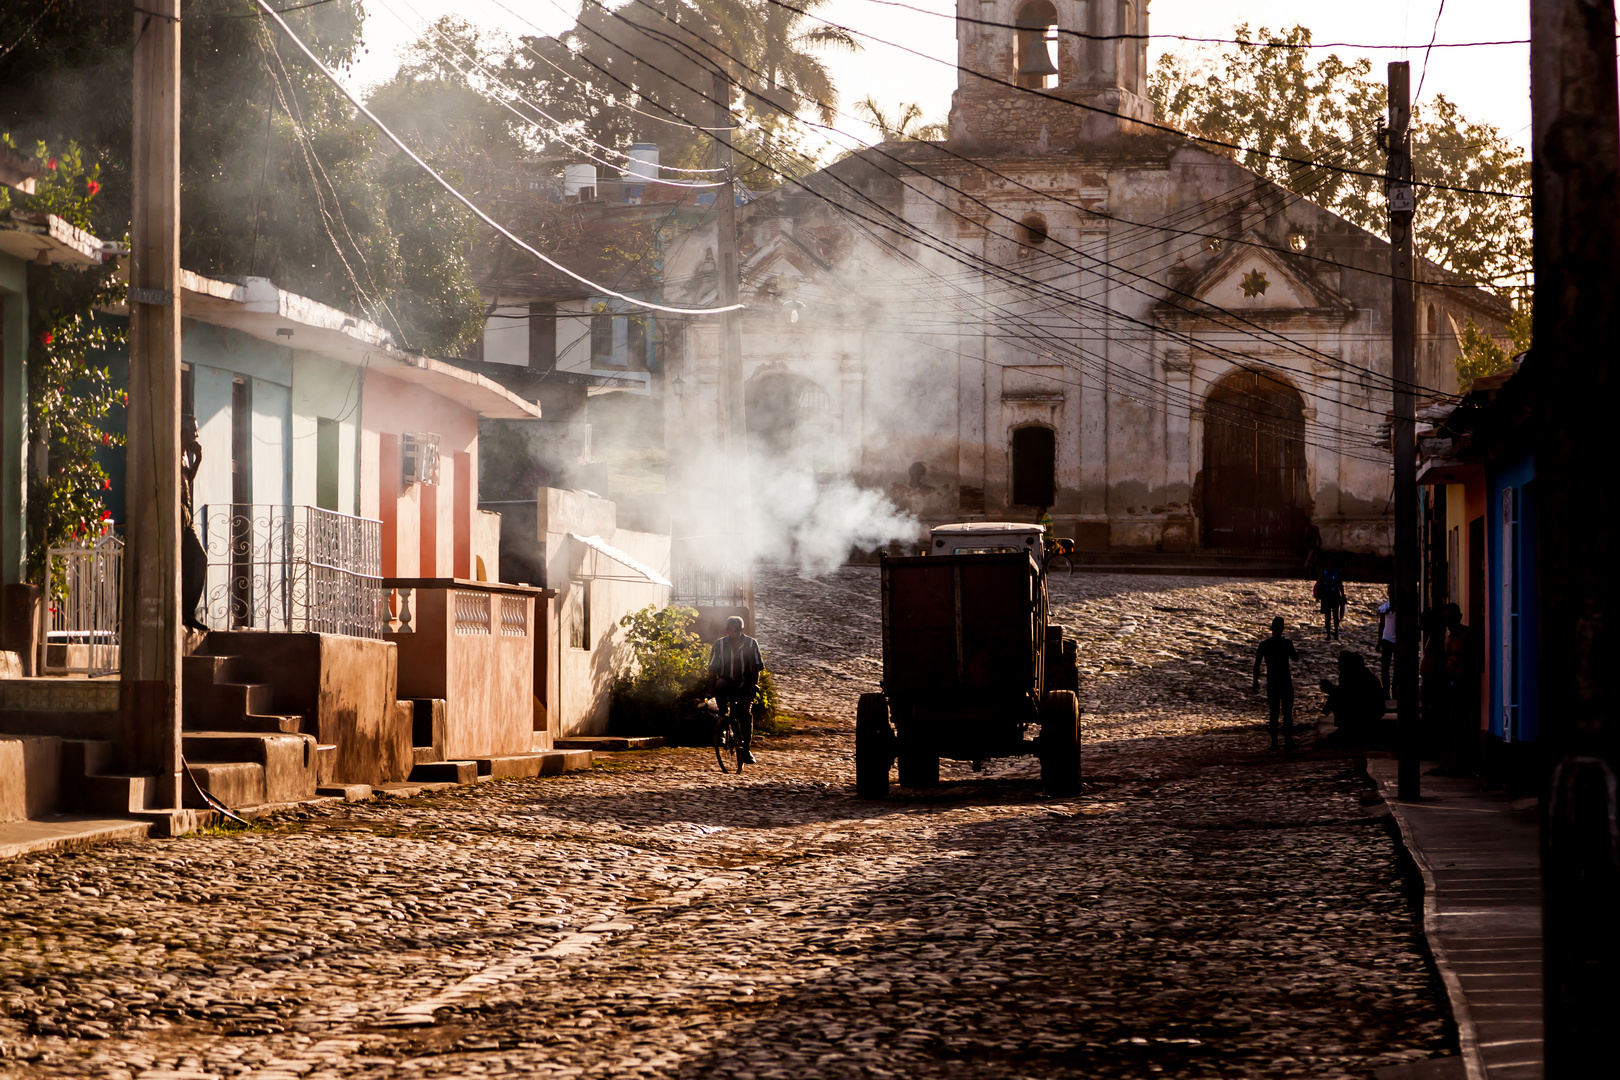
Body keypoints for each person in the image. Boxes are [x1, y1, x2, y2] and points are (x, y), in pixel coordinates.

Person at [709, 615, 764, 765]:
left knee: (745, 713)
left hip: (745, 684)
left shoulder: (751, 644)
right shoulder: (719, 644)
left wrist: (753, 686)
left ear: (742, 630)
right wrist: (711, 688)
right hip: (727, 682)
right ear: (727, 630)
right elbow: (713, 668)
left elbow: (755, 668)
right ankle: (723, 717)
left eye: (737, 630)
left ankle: (746, 748)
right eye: (730, 629)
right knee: (719, 685)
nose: (733, 633)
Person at [1252, 616, 1300, 751]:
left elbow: (1257, 665)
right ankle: (1288, 741)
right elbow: (1295, 659)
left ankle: (1274, 743)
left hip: (1272, 681)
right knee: (1287, 712)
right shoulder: (1286, 643)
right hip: (1285, 681)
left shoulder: (1264, 645)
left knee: (1274, 713)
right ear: (1282, 629)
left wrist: (1255, 681)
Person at [180, 415, 208, 632]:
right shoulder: (170, 450)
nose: (196, 435)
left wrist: (197, 460)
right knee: (179, 562)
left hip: (186, 511)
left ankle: (188, 613)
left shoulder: (185, 455)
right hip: (175, 510)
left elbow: (187, 480)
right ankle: (180, 612)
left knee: (199, 558)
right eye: (193, 430)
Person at [1320, 650, 1386, 744]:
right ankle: (1344, 728)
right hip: (1369, 710)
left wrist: (1332, 691)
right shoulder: (1359, 674)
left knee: (1338, 698)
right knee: (1337, 695)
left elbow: (1350, 696)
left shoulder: (1357, 676)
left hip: (1369, 712)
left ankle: (1345, 729)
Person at [1315, 563, 1346, 641]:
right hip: (1326, 596)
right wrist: (1318, 595)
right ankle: (1328, 633)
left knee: (1335, 614)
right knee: (1327, 615)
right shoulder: (1323, 572)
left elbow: (1340, 584)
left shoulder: (1337, 572)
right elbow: (1320, 583)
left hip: (1335, 595)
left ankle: (1336, 632)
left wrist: (1343, 595)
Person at [1376, 586, 1397, 697]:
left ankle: (1395, 689)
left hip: (1397, 641)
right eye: (1390, 593)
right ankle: (1385, 690)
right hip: (1386, 639)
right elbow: (1381, 625)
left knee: (1397, 667)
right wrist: (1379, 641)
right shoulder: (1384, 608)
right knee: (1385, 667)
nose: (1392, 595)